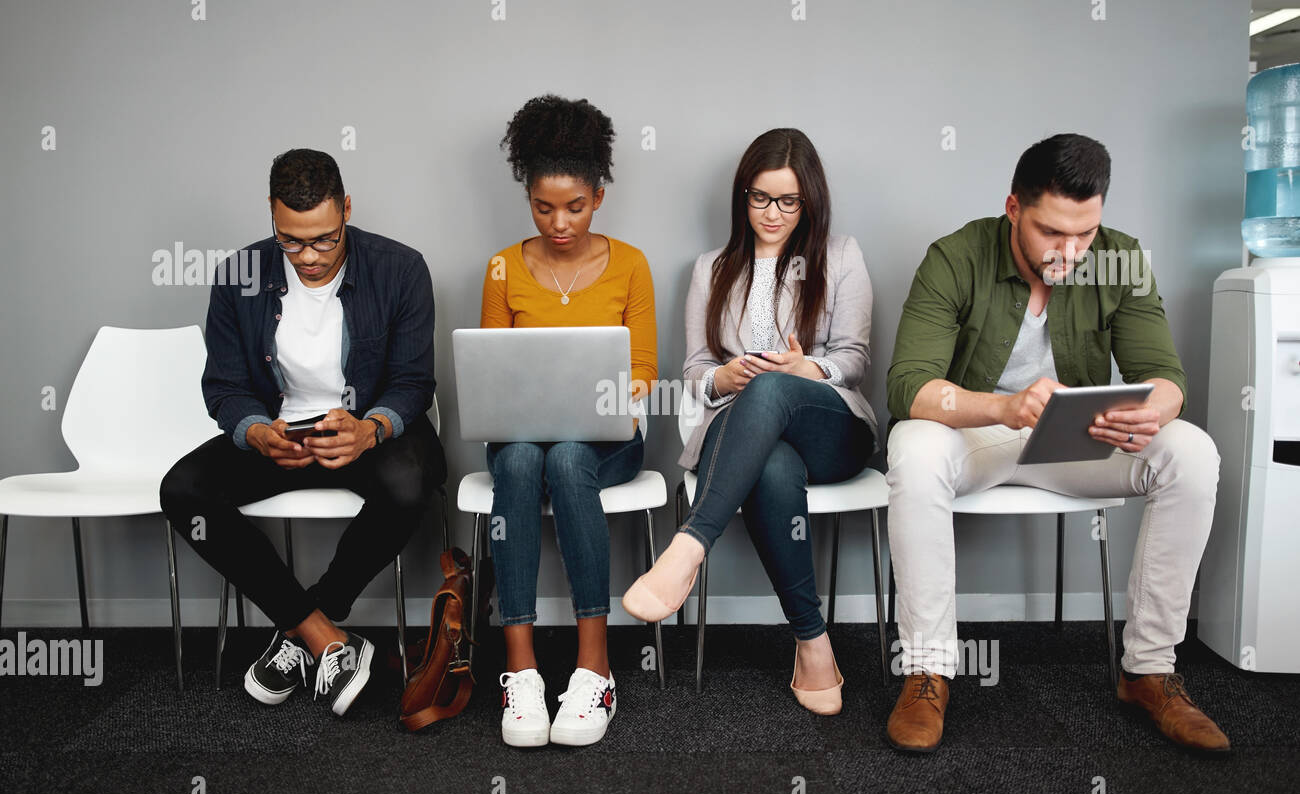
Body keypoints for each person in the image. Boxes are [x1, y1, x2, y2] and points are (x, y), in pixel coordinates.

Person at [884, 133, 1227, 753]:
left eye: (1085, 234)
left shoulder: (1121, 259)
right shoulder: (954, 256)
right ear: (1013, 208)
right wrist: (1004, 407)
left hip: (1076, 441)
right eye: (1050, 232)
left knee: (1192, 451)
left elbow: (1169, 380)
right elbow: (908, 386)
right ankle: (927, 671)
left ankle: (1148, 670)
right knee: (913, 445)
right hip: (979, 437)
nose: (1070, 252)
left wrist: (1148, 410)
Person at [160, 149, 446, 716]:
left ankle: (302, 627)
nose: (309, 257)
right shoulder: (239, 274)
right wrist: (256, 431)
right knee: (182, 489)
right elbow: (224, 385)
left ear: (346, 210)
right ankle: (323, 638)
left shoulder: (401, 267)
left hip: (366, 430)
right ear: (271, 215)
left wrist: (370, 429)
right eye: (291, 241)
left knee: (411, 482)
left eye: (324, 240)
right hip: (283, 433)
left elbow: (414, 382)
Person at [622, 128, 877, 715]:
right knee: (771, 461)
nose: (773, 212)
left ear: (808, 201)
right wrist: (724, 379)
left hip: (830, 429)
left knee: (773, 389)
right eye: (761, 197)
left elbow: (855, 360)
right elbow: (693, 370)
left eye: (789, 201)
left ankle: (688, 545)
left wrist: (803, 368)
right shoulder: (712, 267)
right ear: (743, 196)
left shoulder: (841, 256)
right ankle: (812, 641)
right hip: (743, 433)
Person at [481, 95, 657, 747]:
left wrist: (604, 400)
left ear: (599, 197)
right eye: (543, 206)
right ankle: (520, 671)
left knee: (568, 457)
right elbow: (492, 370)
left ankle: (594, 668)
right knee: (529, 456)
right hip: (523, 437)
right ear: (528, 197)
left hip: (604, 438)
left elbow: (642, 372)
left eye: (575, 206)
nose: (559, 222)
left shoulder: (631, 264)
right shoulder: (502, 267)